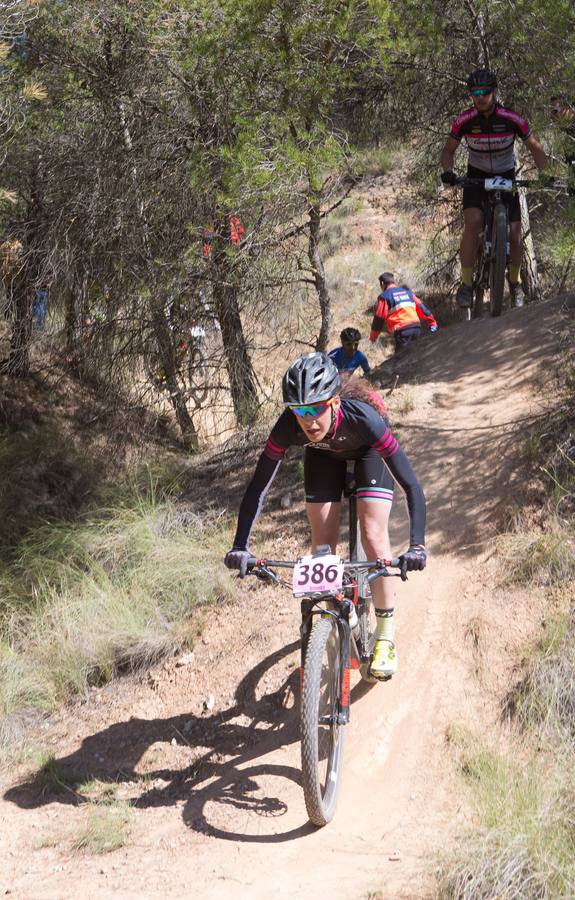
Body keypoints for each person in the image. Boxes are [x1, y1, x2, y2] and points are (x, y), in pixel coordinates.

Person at [224, 352, 427, 680]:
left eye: (316, 408)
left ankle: (386, 635)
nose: (308, 420)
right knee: (322, 542)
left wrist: (417, 545)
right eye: (300, 410)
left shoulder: (364, 418)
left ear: (333, 402)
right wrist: (240, 546)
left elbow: (412, 485)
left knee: (372, 532)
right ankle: (334, 617)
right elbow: (258, 487)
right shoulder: (290, 427)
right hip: (323, 456)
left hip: (368, 452)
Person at [440, 68, 549, 309]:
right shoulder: (464, 120)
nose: (480, 97)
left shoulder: (512, 118)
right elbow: (448, 151)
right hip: (476, 177)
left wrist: (545, 175)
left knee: (514, 232)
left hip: (505, 174)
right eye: (475, 93)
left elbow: (535, 147)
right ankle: (467, 284)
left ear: (494, 92)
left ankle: (515, 282)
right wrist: (449, 172)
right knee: (473, 224)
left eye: (485, 92)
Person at [369, 273, 438, 354]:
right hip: (416, 328)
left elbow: (379, 319)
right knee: (418, 356)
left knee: (402, 360)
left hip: (403, 332)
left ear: (382, 284)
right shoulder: (408, 293)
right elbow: (422, 309)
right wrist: (432, 323)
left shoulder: (384, 296)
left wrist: (372, 338)